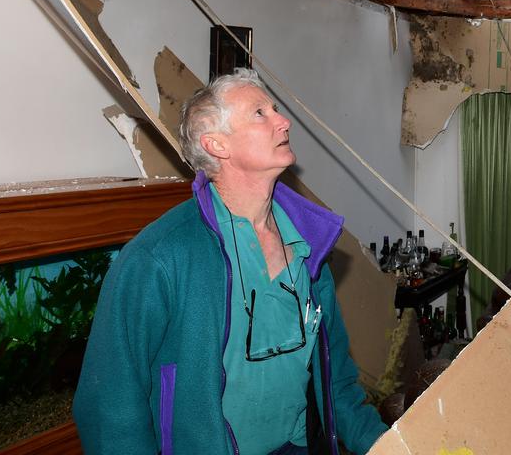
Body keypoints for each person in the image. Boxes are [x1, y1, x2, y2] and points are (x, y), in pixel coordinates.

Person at [73, 69, 388, 455]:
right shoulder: (159, 258)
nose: (283, 120)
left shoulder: (310, 248)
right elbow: (110, 408)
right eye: (260, 113)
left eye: (275, 108)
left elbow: (336, 385)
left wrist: (391, 445)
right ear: (217, 144)